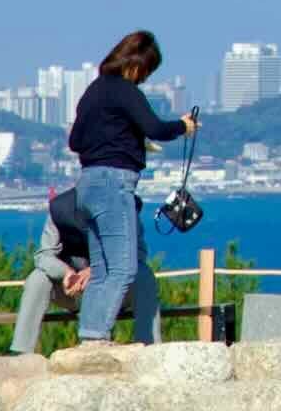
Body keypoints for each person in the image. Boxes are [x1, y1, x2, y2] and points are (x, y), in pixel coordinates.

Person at [65, 30, 194, 343]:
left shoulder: (93, 92)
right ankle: (97, 336)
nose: (145, 78)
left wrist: (124, 139)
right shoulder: (125, 90)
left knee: (102, 270)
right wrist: (183, 126)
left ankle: (88, 338)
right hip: (113, 185)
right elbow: (155, 127)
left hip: (87, 185)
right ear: (137, 64)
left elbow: (76, 141)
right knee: (124, 268)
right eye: (147, 70)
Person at [11, 185, 160, 353]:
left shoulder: (126, 206)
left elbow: (138, 253)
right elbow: (43, 256)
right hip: (72, 290)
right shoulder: (60, 208)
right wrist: (66, 273)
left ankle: (150, 348)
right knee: (37, 279)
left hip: (115, 292)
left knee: (144, 274)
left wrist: (95, 271)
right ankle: (22, 352)